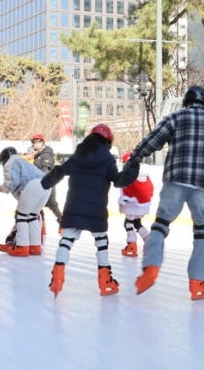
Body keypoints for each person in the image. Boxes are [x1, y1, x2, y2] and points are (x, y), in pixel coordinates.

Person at [126, 86, 204, 300]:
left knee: (161, 224)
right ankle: (197, 282)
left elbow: (153, 141)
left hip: (176, 179)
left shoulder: (175, 118)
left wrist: (135, 158)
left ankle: (150, 268)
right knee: (201, 229)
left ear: (186, 101)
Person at [42, 124, 139, 297]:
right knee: (101, 242)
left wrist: (45, 183)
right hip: (96, 208)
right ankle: (105, 280)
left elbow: (60, 171)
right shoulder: (108, 159)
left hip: (74, 206)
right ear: (108, 141)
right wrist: (133, 168)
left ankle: (57, 273)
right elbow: (118, 180)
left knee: (67, 239)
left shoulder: (78, 156)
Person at [0, 146, 51, 256]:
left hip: (34, 185)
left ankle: (22, 247)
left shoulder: (10, 162)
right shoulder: (22, 161)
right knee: (32, 216)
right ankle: (35, 247)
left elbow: (11, 183)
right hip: (47, 185)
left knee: (21, 216)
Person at [118, 151, 153, 257]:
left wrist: (123, 201)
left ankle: (131, 245)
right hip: (144, 204)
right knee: (137, 223)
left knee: (128, 223)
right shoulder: (145, 175)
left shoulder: (129, 174)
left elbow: (126, 189)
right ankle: (149, 243)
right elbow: (150, 188)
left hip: (133, 204)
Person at [30, 134, 63, 225]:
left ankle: (63, 223)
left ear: (42, 142)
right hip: (40, 183)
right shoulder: (38, 155)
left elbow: (45, 170)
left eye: (37, 142)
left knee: (52, 204)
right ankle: (41, 224)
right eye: (34, 142)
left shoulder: (46, 155)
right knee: (36, 204)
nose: (35, 144)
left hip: (47, 183)